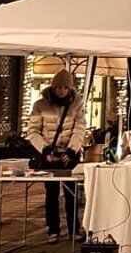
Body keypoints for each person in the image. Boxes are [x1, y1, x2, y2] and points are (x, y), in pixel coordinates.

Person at [26, 69, 86, 243]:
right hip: (49, 154)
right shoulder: (40, 105)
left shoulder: (77, 105)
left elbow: (79, 128)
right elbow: (33, 130)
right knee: (51, 193)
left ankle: (74, 229)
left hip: (69, 155)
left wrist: (72, 149)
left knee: (71, 193)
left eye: (65, 87)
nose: (61, 91)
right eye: (58, 87)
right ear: (53, 87)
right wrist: (44, 150)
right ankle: (53, 229)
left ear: (70, 88)